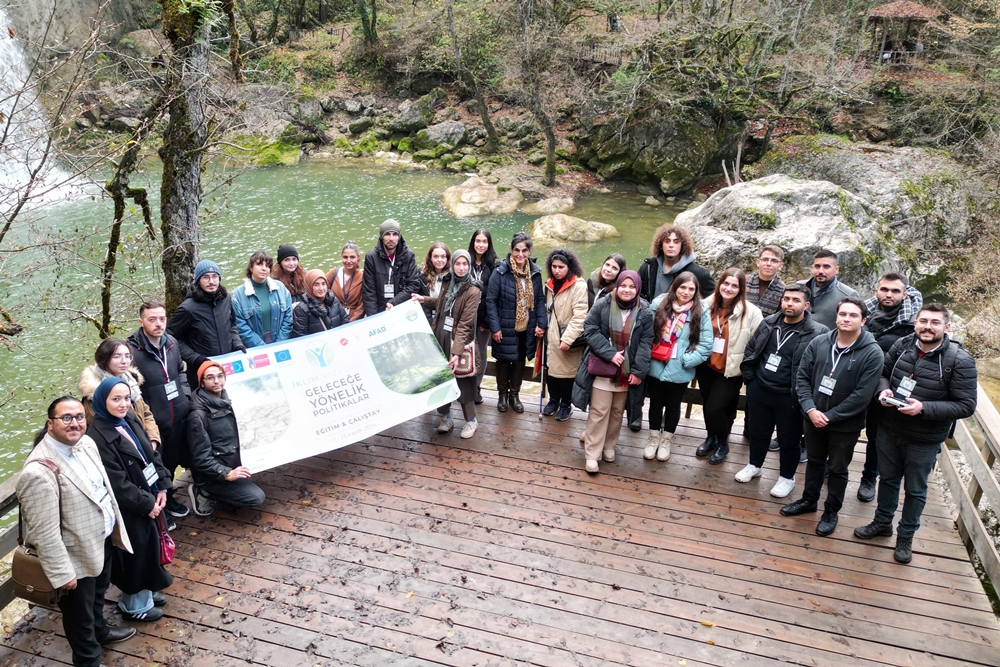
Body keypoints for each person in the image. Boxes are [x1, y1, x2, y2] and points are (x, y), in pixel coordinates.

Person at [16, 397, 136, 667]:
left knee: (97, 597)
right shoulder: (38, 472)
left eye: (79, 417)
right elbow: (43, 532)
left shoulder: (87, 444)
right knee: (78, 615)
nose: (75, 423)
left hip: (99, 541)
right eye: (66, 418)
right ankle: (88, 659)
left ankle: (101, 632)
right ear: (50, 424)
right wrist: (62, 574)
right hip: (72, 558)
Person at [854, 304, 977, 563]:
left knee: (916, 489)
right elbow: (883, 374)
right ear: (916, 322)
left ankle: (905, 536)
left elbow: (966, 405)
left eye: (934, 322)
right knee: (887, 479)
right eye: (923, 321)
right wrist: (883, 391)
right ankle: (882, 523)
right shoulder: (902, 345)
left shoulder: (959, 360)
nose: (927, 326)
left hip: (924, 437)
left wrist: (924, 408)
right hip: (890, 427)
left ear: (947, 327)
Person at [781, 298, 883, 536]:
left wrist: (829, 416)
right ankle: (808, 501)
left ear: (863, 320)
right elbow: (802, 377)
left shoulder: (872, 353)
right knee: (815, 462)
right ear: (836, 317)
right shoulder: (819, 342)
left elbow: (862, 395)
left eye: (853, 315)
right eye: (843, 314)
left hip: (844, 425)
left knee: (837, 469)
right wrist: (810, 409)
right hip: (813, 416)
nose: (846, 319)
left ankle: (831, 511)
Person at [87, 377, 173, 622]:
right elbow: (117, 484)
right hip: (130, 508)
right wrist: (147, 505)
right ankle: (134, 605)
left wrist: (163, 486)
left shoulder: (130, 419)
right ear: (102, 402)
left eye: (126, 398)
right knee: (135, 554)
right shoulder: (97, 438)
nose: (123, 404)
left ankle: (148, 590)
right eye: (116, 399)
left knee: (150, 547)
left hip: (150, 493)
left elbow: (150, 453)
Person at [737, 284, 828, 497]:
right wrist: (751, 381)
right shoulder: (768, 323)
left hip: (790, 396)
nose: (789, 303)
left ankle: (787, 477)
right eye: (786, 299)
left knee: (789, 439)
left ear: (806, 305)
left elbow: (818, 367)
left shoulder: (817, 332)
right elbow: (752, 349)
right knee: (758, 433)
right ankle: (754, 465)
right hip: (761, 389)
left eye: (796, 300)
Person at [572, 271, 653, 473]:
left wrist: (638, 371)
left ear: (637, 289)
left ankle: (609, 445)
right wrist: (609, 354)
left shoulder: (645, 311)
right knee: (599, 411)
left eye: (631, 287)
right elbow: (590, 329)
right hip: (603, 367)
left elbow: (646, 342)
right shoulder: (604, 304)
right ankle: (592, 453)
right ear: (617, 285)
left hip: (626, 371)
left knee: (617, 412)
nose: (627, 290)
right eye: (623, 286)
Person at [857, 273, 923, 502]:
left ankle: (868, 478)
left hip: (884, 387)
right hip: (855, 382)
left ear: (904, 294)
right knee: (844, 427)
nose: (889, 294)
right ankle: (832, 466)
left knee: (875, 435)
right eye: (884, 289)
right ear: (876, 290)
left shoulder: (911, 324)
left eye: (895, 291)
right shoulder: (863, 313)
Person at [127, 301, 191, 521]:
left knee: (171, 462)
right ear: (141, 321)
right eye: (152, 319)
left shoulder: (171, 342)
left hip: (176, 414)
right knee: (153, 465)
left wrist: (186, 396)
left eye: (161, 318)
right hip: (151, 422)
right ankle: (156, 508)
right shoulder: (131, 351)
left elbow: (181, 372)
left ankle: (169, 497)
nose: (158, 324)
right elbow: (130, 387)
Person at [695, 268, 762, 464]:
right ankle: (710, 438)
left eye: (734, 285)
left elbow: (758, 344)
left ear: (741, 289)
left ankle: (723, 443)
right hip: (707, 366)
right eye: (726, 283)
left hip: (732, 370)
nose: (729, 288)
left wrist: (749, 368)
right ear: (719, 284)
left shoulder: (752, 313)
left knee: (715, 408)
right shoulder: (705, 305)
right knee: (709, 404)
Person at [643, 272, 713, 462]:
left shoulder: (701, 310)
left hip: (680, 367)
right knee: (655, 404)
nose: (686, 292)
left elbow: (706, 344)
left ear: (696, 291)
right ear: (675, 286)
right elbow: (646, 332)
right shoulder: (659, 304)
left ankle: (666, 440)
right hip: (656, 363)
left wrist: (686, 361)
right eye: (683, 287)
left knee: (674, 405)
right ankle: (653, 438)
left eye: (691, 289)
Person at [413, 250, 483, 438]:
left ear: (469, 266)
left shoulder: (473, 291)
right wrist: (424, 300)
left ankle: (471, 421)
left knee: (464, 381)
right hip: (440, 335)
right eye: (458, 264)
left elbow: (465, 324)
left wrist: (456, 351)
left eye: (465, 264)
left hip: (458, 341)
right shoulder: (447, 281)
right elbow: (442, 304)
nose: (461, 268)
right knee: (440, 379)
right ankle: (446, 417)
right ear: (452, 265)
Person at [186, 361, 266, 515]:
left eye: (220, 376)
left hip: (232, 460)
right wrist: (226, 473)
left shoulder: (229, 399)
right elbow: (200, 459)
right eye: (210, 378)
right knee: (256, 497)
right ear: (201, 383)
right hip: (214, 474)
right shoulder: (197, 416)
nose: (216, 381)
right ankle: (204, 491)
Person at [485, 232, 548, 414]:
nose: (520, 254)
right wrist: (495, 328)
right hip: (505, 326)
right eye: (516, 250)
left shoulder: (535, 273)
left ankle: (515, 394)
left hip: (526, 327)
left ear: (529, 251)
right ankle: (502, 395)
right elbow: (491, 300)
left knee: (520, 361)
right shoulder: (501, 271)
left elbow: (539, 300)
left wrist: (541, 323)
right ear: (511, 251)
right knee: (504, 360)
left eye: (524, 250)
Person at [167, 259, 247, 390]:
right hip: (202, 370)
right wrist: (196, 358)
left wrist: (237, 343)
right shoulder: (187, 308)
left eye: (215, 276)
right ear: (198, 280)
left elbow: (232, 324)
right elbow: (171, 338)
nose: (211, 281)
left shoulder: (226, 299)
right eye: (206, 277)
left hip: (227, 366)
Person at [78, 338, 161, 450]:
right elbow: (106, 433)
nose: (124, 361)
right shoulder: (95, 394)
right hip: (124, 453)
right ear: (104, 358)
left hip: (144, 444)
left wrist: (152, 440)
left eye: (127, 356)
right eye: (117, 356)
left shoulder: (131, 382)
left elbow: (146, 413)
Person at [541, 249, 589, 422]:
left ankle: (565, 405)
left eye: (561, 267)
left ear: (569, 267)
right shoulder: (549, 284)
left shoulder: (579, 286)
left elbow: (580, 316)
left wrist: (567, 339)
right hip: (551, 336)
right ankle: (553, 400)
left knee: (567, 374)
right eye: (554, 266)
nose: (557, 270)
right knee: (552, 371)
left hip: (568, 338)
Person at [637, 224, 715, 302]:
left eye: (676, 242)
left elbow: (715, 297)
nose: (671, 245)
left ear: (682, 245)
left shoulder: (697, 273)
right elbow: (636, 294)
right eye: (667, 241)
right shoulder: (648, 268)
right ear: (661, 245)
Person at [360, 218, 423, 315]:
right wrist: (373, 318)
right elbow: (369, 291)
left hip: (402, 308)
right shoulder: (371, 257)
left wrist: (393, 302)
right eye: (387, 234)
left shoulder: (409, 255)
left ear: (399, 236)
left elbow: (413, 284)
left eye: (395, 234)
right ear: (381, 236)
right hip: (380, 311)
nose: (391, 238)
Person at [232, 251, 293, 348]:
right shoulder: (238, 295)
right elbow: (241, 326)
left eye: (268, 265)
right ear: (251, 267)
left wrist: (280, 343)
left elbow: (288, 319)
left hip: (280, 342)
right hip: (254, 346)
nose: (264, 268)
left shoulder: (281, 288)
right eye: (259, 264)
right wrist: (261, 347)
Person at [468, 228, 497, 404]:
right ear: (473, 242)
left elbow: (494, 295)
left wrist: (488, 320)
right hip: (466, 317)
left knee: (481, 353)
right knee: (465, 351)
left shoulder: (494, 264)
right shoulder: (465, 261)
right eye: (478, 241)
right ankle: (465, 385)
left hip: (484, 317)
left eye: (484, 241)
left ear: (488, 244)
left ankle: (477, 387)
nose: (480, 244)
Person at [800, 250, 859, 330]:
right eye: (817, 266)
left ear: (836, 270)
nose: (820, 271)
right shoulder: (799, 287)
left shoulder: (849, 295)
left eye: (826, 267)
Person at [292, 269, 349, 337]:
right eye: (316, 285)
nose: (321, 288)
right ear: (309, 286)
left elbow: (345, 321)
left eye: (323, 284)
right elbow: (300, 336)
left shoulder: (334, 301)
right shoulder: (301, 309)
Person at [326, 241, 365, 321]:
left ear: (358, 257)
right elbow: (321, 292)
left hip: (353, 321)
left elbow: (362, 305)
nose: (348, 261)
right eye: (345, 257)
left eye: (352, 257)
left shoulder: (363, 277)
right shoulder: (333, 273)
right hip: (333, 319)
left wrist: (350, 323)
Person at [746, 245, 786, 317]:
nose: (768, 264)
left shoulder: (783, 290)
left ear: (780, 266)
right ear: (758, 262)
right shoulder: (743, 281)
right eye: (765, 259)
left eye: (774, 261)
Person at [419, 241, 451, 324]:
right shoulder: (422, 276)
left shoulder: (452, 277)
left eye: (443, 257)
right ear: (430, 258)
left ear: (447, 258)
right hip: (428, 319)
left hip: (445, 319)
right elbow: (422, 303)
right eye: (436, 256)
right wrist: (430, 322)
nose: (439, 260)